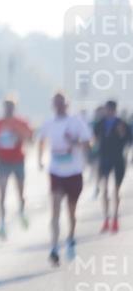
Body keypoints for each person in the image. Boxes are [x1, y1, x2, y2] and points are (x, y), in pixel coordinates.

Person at [37, 91, 93, 266]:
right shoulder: (49, 123)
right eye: (56, 103)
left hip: (74, 172)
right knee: (54, 209)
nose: (59, 106)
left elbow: (89, 143)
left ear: (67, 104)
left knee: (71, 211)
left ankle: (70, 238)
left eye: (61, 103)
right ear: (53, 105)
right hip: (56, 171)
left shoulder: (76, 122)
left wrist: (73, 143)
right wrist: (39, 159)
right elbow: (41, 140)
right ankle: (54, 248)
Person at [0, 96, 33, 239]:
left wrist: (18, 134)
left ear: (15, 108)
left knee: (20, 192)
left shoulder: (21, 122)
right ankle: (2, 224)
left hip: (18, 160)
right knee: (1, 194)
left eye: (11, 106)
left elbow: (30, 139)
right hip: (3, 161)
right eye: (6, 106)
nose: (8, 109)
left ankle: (21, 211)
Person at [93, 99, 129, 234]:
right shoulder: (100, 123)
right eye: (107, 109)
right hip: (105, 159)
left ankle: (115, 218)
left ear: (115, 110)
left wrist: (121, 132)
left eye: (111, 109)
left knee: (116, 191)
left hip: (118, 159)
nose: (109, 111)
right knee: (105, 190)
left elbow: (127, 140)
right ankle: (106, 219)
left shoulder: (122, 123)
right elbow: (95, 138)